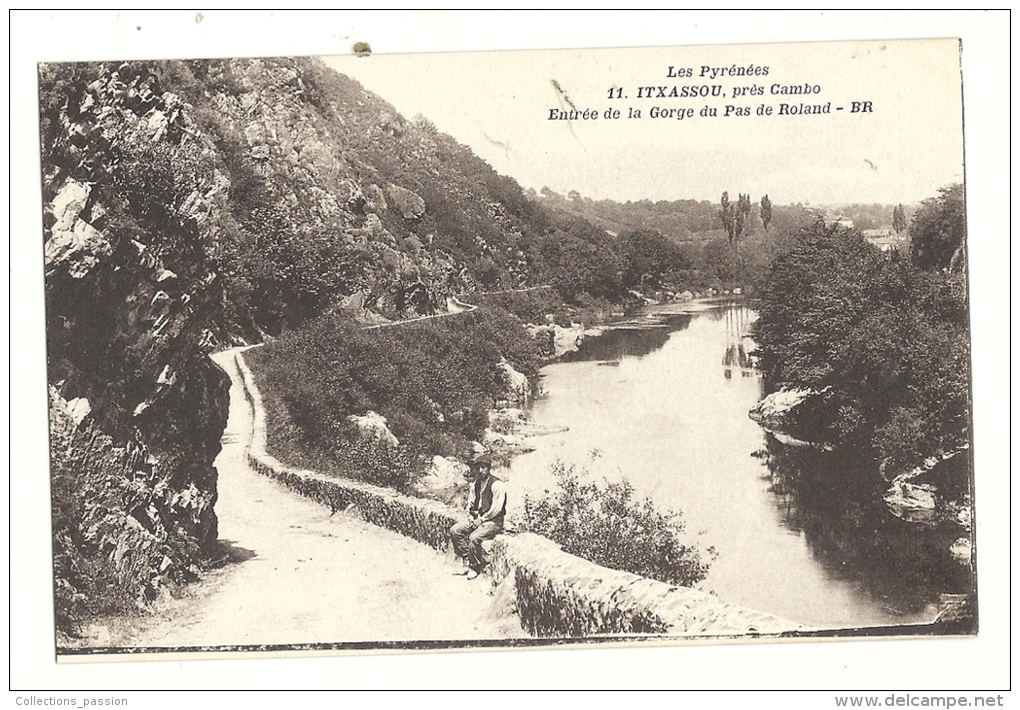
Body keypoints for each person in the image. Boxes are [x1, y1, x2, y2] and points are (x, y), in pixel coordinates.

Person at [450, 451, 507, 580]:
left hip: (493, 522)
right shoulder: (475, 484)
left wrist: (482, 519)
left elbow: (497, 509)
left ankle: (474, 567)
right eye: (478, 467)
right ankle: (467, 557)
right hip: (477, 519)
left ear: (489, 468)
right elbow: (470, 503)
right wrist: (471, 515)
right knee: (455, 530)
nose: (480, 470)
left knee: (474, 537)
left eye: (483, 467)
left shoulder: (497, 485)